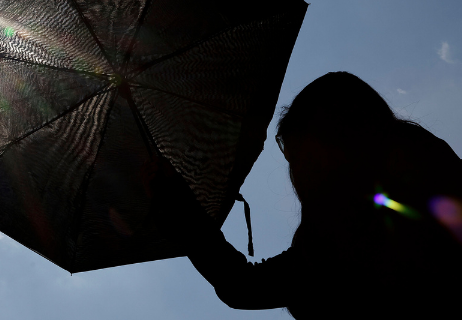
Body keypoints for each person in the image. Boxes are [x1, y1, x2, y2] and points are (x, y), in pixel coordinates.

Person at [151, 72, 462, 319]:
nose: (297, 171)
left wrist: (176, 201)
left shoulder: (342, 232)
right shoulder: (428, 165)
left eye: (299, 155)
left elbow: (244, 286)